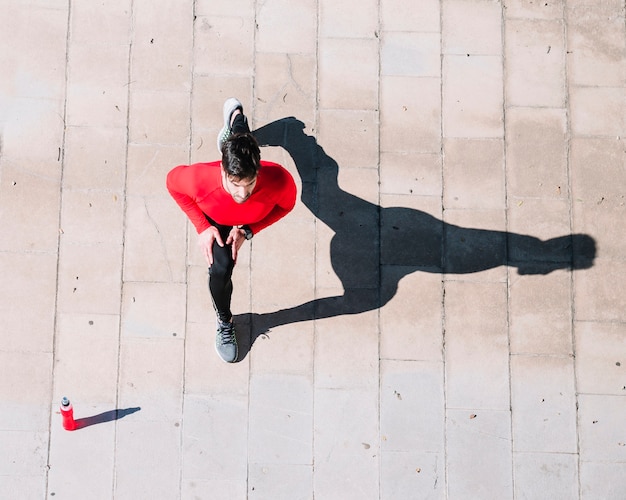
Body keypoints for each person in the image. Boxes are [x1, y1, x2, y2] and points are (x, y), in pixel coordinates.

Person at [166, 98, 297, 363]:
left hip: (244, 223)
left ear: (258, 172)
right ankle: (225, 321)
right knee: (221, 268)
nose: (242, 193)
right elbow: (172, 184)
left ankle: (237, 121)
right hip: (216, 221)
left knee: (243, 141)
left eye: (249, 184)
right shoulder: (199, 179)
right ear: (223, 170)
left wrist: (248, 231)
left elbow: (286, 206)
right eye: (235, 184)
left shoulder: (279, 180)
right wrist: (203, 227)